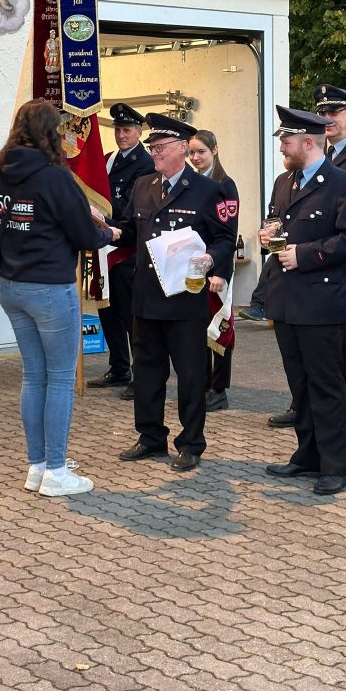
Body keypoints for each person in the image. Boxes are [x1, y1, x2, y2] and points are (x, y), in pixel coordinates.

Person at [0, 99, 119, 497]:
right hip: (50, 286)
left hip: (11, 284)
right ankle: (57, 472)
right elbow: (83, 232)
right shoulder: (54, 176)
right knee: (59, 378)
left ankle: (37, 466)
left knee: (34, 375)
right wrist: (108, 234)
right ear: (51, 132)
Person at [115, 114, 236, 472]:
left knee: (191, 374)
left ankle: (191, 443)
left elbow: (225, 239)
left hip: (185, 298)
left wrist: (211, 259)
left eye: (161, 147)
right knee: (148, 373)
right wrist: (103, 228)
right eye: (152, 146)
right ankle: (151, 437)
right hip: (147, 297)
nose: (154, 152)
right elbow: (127, 231)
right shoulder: (143, 185)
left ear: (182, 149)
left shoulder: (208, 190)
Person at [263, 106, 346, 495]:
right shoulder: (283, 181)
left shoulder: (345, 184)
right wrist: (267, 234)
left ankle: (334, 465)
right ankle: (307, 455)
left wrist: (305, 255)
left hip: (321, 301)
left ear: (308, 142)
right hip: (286, 299)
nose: (282, 149)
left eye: (286, 143)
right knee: (300, 385)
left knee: (327, 385)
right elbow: (277, 221)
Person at [267, 85, 346, 430]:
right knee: (303, 355)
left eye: (334, 112)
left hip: (341, 271)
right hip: (297, 278)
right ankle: (305, 408)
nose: (328, 119)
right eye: (323, 113)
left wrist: (305, 251)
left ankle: (343, 404)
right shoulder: (299, 166)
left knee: (338, 344)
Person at [88, 104, 154, 398]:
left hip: (128, 246)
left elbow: (134, 206)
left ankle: (142, 375)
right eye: (118, 130)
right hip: (107, 243)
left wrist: (107, 219)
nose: (121, 135)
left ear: (139, 133)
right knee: (108, 310)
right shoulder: (109, 160)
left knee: (130, 316)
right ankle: (119, 365)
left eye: (127, 130)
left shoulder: (146, 163)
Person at [188, 130, 239, 412]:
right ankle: (204, 384)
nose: (196, 158)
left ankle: (219, 389)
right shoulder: (192, 182)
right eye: (192, 153)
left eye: (201, 152)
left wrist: (220, 272)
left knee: (219, 328)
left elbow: (227, 234)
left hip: (216, 269)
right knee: (198, 328)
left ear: (215, 151)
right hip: (194, 267)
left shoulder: (224, 185)